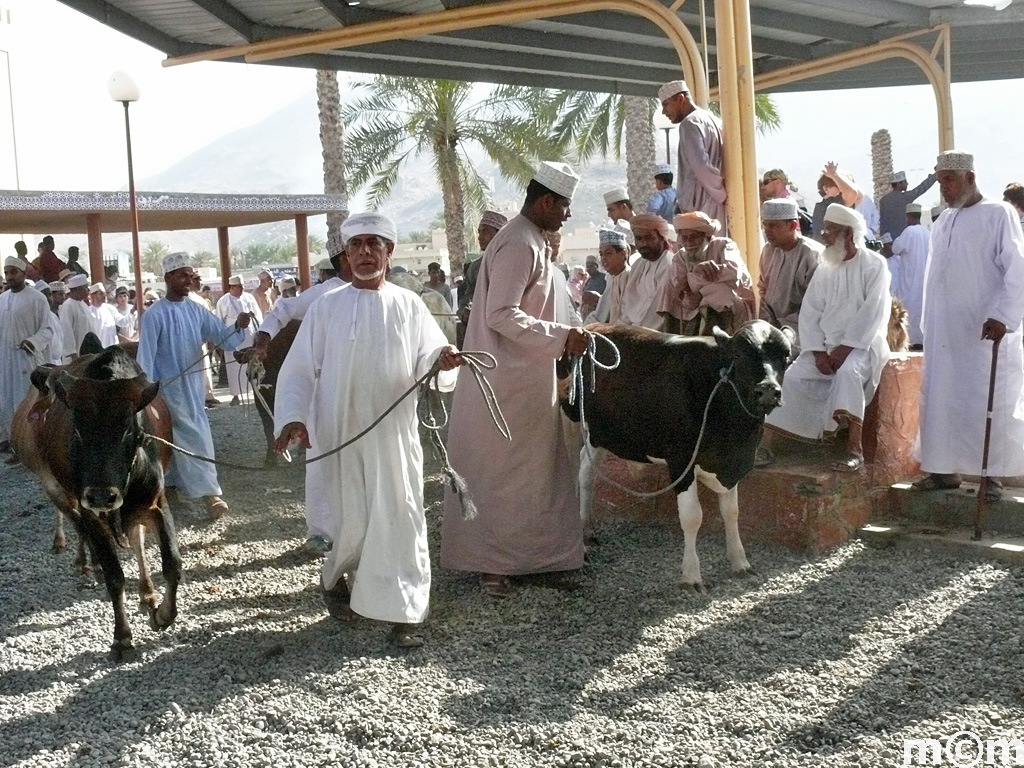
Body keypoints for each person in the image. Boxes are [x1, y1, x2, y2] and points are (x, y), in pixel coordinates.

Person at [274, 212, 463, 648]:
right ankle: (336, 579)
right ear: (346, 253)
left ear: (389, 251)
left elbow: (430, 356)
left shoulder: (409, 304)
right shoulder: (325, 306)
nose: (364, 252)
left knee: (401, 513)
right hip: (336, 433)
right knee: (344, 514)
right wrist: (293, 417)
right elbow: (299, 368)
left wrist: (442, 360)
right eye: (356, 245)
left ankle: (405, 611)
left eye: (373, 244)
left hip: (392, 437)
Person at [441, 160, 589, 598]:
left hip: (528, 378)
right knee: (500, 475)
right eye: (564, 207)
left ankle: (538, 559)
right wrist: (561, 337)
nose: (566, 216)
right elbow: (500, 314)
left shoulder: (533, 240)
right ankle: (493, 564)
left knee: (536, 472)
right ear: (546, 201)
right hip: (501, 385)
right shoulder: (518, 244)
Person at [912, 151, 1024, 498]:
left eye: (950, 179)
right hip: (944, 331)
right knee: (941, 399)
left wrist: (1002, 316)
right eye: (940, 179)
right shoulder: (943, 220)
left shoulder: (998, 213)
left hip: (984, 331)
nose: (943, 187)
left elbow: (1017, 268)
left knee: (985, 403)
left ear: (970, 178)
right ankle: (943, 470)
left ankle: (991, 476)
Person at [760, 204, 891, 472]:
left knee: (848, 375)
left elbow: (873, 312)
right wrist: (818, 352)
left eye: (830, 231)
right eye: (825, 230)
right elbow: (810, 312)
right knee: (792, 377)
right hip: (825, 347)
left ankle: (854, 450)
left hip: (863, 345)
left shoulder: (874, 265)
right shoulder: (826, 266)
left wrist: (843, 350)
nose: (825, 236)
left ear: (849, 234)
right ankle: (766, 444)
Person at [137, 252, 251, 519]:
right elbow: (145, 359)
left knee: (190, 435)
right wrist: (147, 394)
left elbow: (223, 338)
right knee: (183, 437)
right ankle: (206, 494)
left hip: (192, 388)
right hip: (165, 390)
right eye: (183, 276)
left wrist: (238, 325)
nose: (189, 280)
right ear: (168, 278)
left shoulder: (196, 309)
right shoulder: (154, 315)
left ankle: (193, 490)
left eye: (191, 275)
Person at [657, 210, 755, 336]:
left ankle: (720, 339)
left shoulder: (725, 245)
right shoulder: (680, 257)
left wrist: (695, 281)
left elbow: (733, 272)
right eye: (684, 238)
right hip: (692, 305)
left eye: (693, 237)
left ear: (707, 237)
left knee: (718, 291)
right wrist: (698, 273)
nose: (688, 243)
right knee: (667, 285)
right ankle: (671, 337)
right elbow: (681, 290)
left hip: (734, 305)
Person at [0, 257, 53, 454]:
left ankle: (28, 446)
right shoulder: (2, 299)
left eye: (13, 272)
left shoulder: (37, 298)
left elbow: (47, 329)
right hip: (5, 361)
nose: (9, 277)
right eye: (6, 273)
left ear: (23, 273)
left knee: (25, 401)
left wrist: (32, 341)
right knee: (5, 400)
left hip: (27, 360)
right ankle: (11, 440)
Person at [658, 79, 726, 226]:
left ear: (680, 99)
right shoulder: (713, 120)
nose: (664, 112)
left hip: (701, 207)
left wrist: (720, 194)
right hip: (713, 202)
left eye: (666, 105)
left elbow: (701, 165)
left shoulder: (689, 123)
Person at [756, 198, 822, 344]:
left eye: (773, 226)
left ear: (792, 225)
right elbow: (763, 290)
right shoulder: (768, 250)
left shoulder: (811, 254)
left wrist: (785, 327)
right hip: (771, 326)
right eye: (764, 225)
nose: (767, 231)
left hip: (803, 330)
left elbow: (816, 305)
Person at [457, 210, 508, 348]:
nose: (479, 237)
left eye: (485, 231)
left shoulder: (512, 263)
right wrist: (465, 312)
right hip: (481, 335)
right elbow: (466, 297)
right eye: (479, 232)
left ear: (499, 234)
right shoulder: (475, 267)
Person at [619, 213, 676, 330]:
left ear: (662, 238)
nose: (643, 244)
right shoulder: (638, 265)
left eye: (649, 238)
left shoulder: (669, 265)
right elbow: (627, 306)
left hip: (655, 334)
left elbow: (660, 314)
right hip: (631, 331)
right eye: (639, 239)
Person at [215, 275, 263, 406]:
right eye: (239, 287)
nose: (242, 289)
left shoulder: (249, 298)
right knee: (234, 367)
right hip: (232, 338)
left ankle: (255, 392)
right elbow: (219, 321)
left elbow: (258, 315)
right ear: (232, 287)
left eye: (242, 286)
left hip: (250, 336)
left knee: (253, 364)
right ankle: (236, 395)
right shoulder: (223, 301)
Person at [889, 203, 929, 348]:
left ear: (909, 217)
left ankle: (910, 342)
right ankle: (921, 341)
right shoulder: (927, 232)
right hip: (923, 279)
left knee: (909, 310)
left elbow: (895, 248)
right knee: (921, 310)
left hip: (910, 280)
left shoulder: (909, 232)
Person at [819, 161, 880, 239]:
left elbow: (855, 193)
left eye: (828, 186)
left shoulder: (840, 202)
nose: (826, 190)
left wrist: (835, 176)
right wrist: (834, 175)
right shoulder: (829, 204)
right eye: (824, 188)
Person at [584, 226, 632, 324]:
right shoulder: (610, 278)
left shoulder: (630, 278)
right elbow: (600, 314)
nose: (603, 258)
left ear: (623, 254)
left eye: (608, 253)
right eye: (601, 254)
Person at [878, 170, 937, 241]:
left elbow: (882, 223)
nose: (907, 184)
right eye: (905, 182)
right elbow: (921, 188)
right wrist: (935, 176)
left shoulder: (883, 200)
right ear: (899, 184)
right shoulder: (905, 197)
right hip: (904, 239)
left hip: (888, 241)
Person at [59, 274, 95, 362]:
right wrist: (73, 355)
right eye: (86, 287)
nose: (88, 290)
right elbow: (66, 332)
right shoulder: (67, 306)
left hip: (88, 354)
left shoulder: (83, 304)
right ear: (78, 289)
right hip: (75, 358)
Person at [811, 175, 844, 243]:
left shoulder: (819, 206)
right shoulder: (834, 204)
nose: (841, 189)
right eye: (837, 185)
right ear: (826, 188)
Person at [88, 283, 120, 347]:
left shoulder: (110, 308)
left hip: (113, 349)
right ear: (93, 296)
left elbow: (122, 321)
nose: (104, 295)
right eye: (101, 293)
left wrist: (132, 311)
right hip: (99, 350)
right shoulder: (88, 312)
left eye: (104, 293)